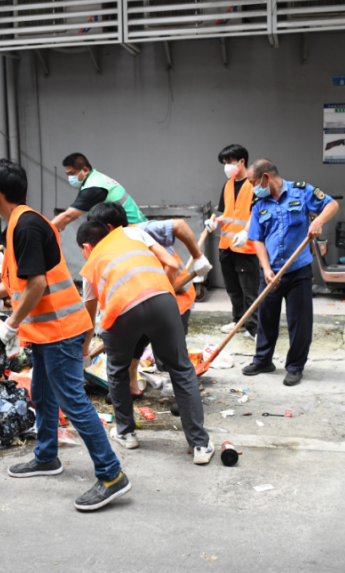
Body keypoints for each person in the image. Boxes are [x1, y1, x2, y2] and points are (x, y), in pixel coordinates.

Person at [0, 159, 130, 512]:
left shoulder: (24, 226)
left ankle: (111, 474)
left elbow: (38, 284)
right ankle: (46, 457)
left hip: (60, 331)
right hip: (46, 332)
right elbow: (22, 279)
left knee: (73, 402)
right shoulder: (18, 225)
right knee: (41, 393)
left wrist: (10, 325)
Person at [76, 220, 213, 464]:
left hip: (121, 314)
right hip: (162, 299)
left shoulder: (91, 265)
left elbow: (88, 318)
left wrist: (85, 351)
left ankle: (126, 433)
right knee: (181, 370)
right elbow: (172, 263)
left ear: (87, 246)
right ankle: (200, 446)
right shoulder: (132, 233)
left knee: (117, 372)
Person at [86, 202, 213, 396]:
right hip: (140, 302)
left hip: (174, 299)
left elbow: (178, 225)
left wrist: (198, 256)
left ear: (109, 227)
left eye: (94, 229)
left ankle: (188, 394)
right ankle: (131, 387)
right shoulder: (111, 247)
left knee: (169, 358)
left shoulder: (139, 231)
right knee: (134, 341)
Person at [241, 159, 339, 386]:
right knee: (265, 317)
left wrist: (318, 221)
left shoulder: (301, 191)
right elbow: (256, 239)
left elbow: (331, 205)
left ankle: (295, 366)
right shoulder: (258, 203)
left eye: (253, 182)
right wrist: (266, 269)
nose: (252, 187)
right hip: (271, 272)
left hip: (298, 270)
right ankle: (263, 360)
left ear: (266, 177)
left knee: (299, 321)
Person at [205, 144, 259, 338]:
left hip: (246, 245)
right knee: (233, 289)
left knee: (249, 290)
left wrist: (246, 231)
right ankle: (239, 321)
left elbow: (258, 213)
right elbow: (226, 213)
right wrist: (213, 221)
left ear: (241, 161)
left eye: (228, 162)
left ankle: (254, 327)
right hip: (226, 245)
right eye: (225, 163)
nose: (226, 167)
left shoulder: (254, 184)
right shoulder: (228, 185)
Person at [51, 153, 147, 231]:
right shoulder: (93, 180)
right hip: (133, 227)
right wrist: (61, 222)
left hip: (133, 230)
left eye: (71, 173)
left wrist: (45, 229)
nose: (70, 178)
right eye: (67, 174)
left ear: (84, 170)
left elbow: (69, 215)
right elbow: (74, 211)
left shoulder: (93, 187)